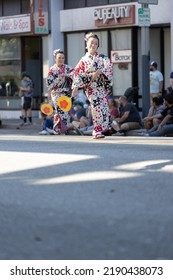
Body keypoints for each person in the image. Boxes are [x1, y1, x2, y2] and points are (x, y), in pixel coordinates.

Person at [72, 32, 113, 139]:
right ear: (86, 45)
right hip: (90, 88)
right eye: (91, 43)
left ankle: (103, 128)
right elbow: (77, 73)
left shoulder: (103, 58)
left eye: (96, 43)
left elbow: (108, 67)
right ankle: (96, 130)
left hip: (101, 87)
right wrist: (76, 86)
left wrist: (99, 72)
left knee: (104, 107)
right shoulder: (83, 60)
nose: (93, 45)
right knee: (96, 106)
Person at [46, 49, 74, 129]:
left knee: (66, 112)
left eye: (62, 58)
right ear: (55, 59)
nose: (61, 59)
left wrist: (67, 75)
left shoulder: (68, 68)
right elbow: (49, 85)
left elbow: (75, 75)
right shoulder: (52, 70)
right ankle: (60, 128)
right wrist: (58, 79)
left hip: (67, 93)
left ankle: (63, 128)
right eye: (59, 58)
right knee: (60, 111)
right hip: (57, 94)